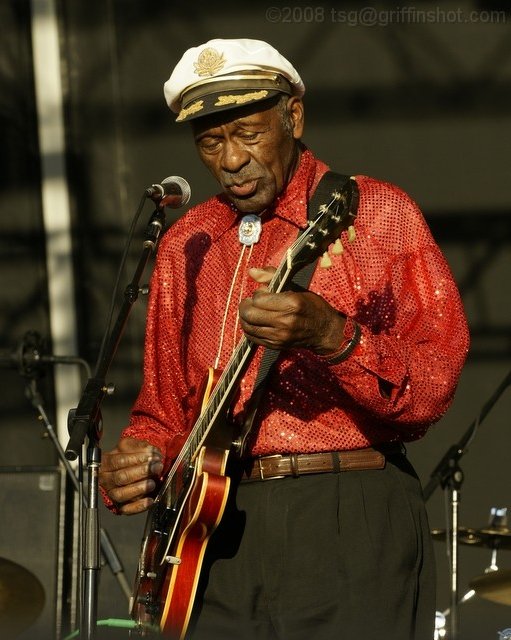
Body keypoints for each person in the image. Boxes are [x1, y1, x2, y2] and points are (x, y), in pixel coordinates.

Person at [99, 38, 469, 640]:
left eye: (248, 133)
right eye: (210, 143)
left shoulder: (376, 214)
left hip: (346, 507)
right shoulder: (188, 242)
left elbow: (433, 382)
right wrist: (140, 460)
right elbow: (163, 410)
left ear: (293, 117)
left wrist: (334, 336)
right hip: (210, 534)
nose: (230, 159)